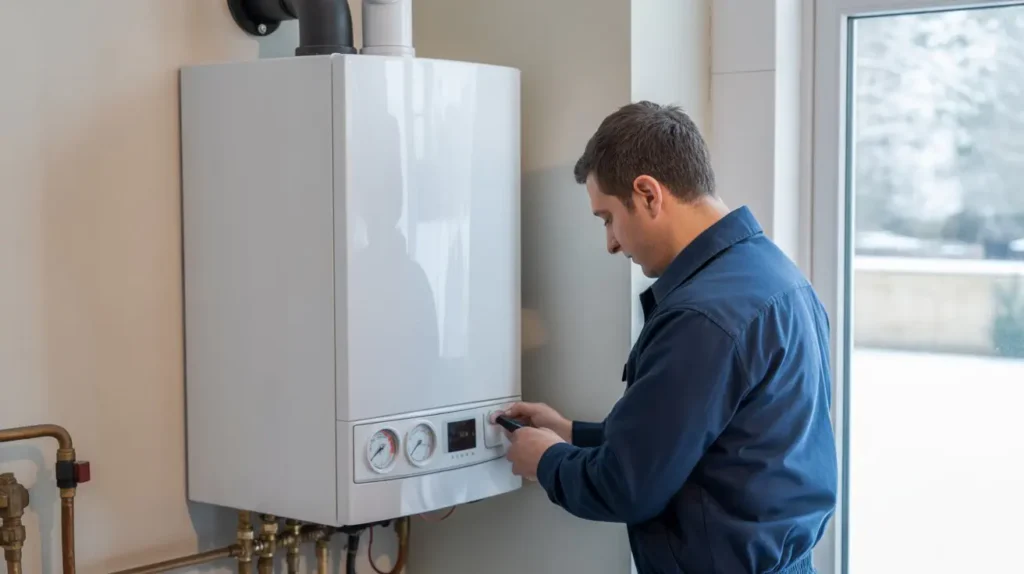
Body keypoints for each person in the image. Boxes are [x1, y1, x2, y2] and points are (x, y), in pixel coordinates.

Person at [493, 101, 838, 574]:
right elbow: (710, 438)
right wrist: (572, 433)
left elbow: (627, 488)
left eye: (607, 218)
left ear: (648, 194)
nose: (611, 243)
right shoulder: (778, 277)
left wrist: (546, 460)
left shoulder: (702, 316)